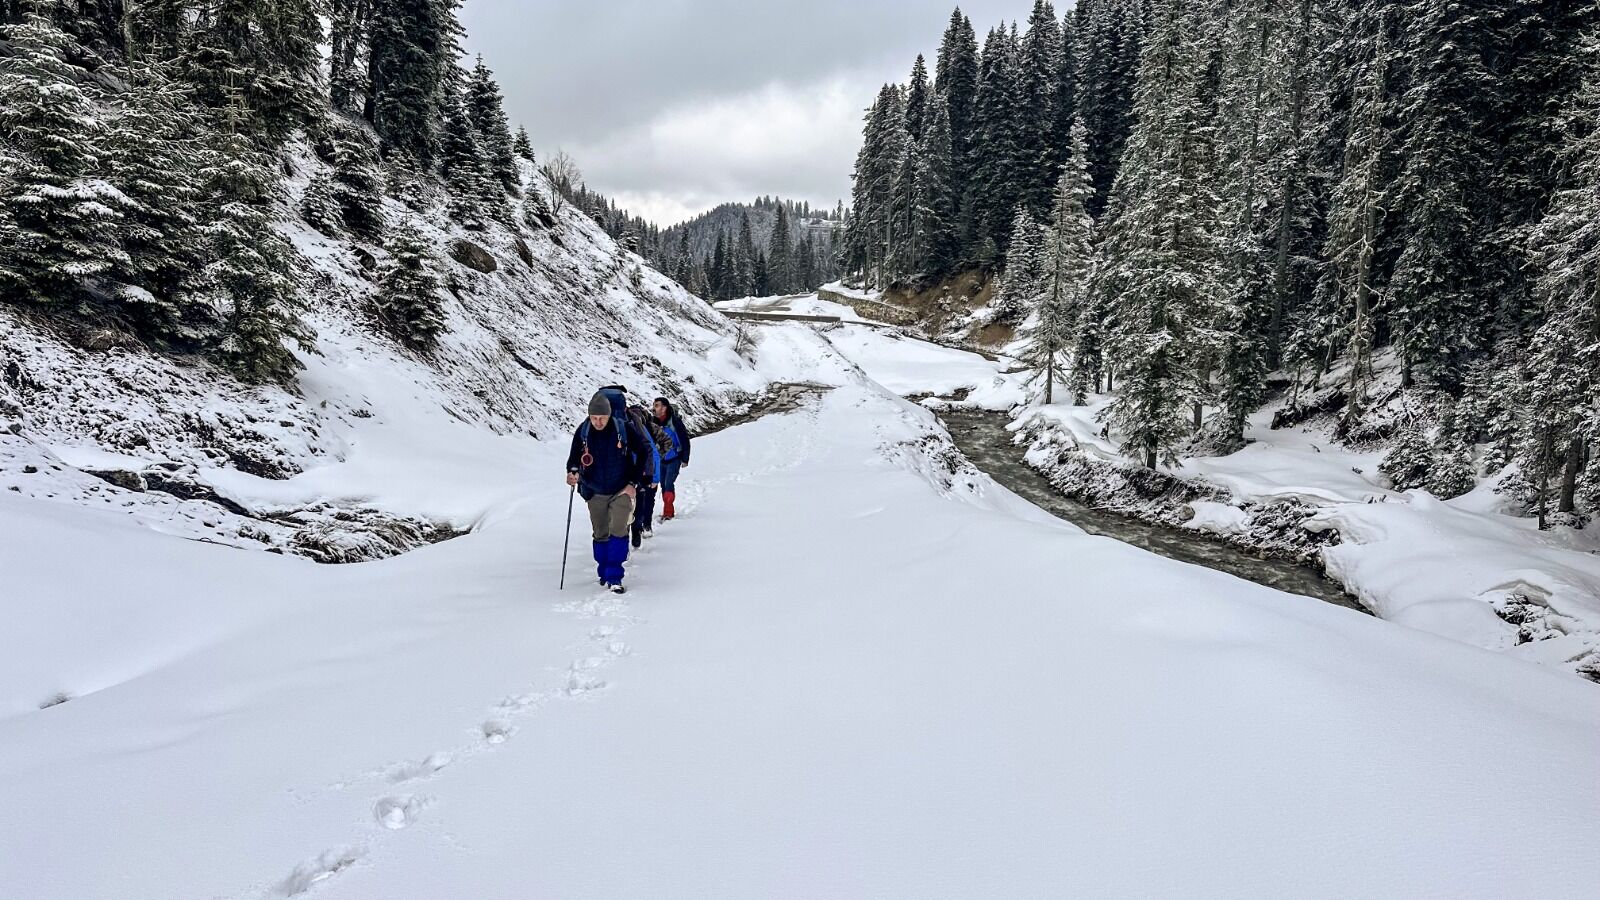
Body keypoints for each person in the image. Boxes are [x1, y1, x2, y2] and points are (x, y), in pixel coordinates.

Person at [566, 390, 652, 593]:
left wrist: (633, 483)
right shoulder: (583, 431)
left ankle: (615, 576)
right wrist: (573, 472)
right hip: (594, 490)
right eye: (594, 417)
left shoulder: (623, 429)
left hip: (621, 489)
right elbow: (574, 458)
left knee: (619, 529)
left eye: (602, 418)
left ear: (609, 415)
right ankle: (603, 571)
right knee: (600, 533)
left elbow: (643, 452)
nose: (598, 422)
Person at [652, 397, 692, 521]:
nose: (654, 408)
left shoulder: (675, 422)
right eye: (654, 405)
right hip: (661, 459)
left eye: (657, 405)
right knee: (663, 485)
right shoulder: (653, 422)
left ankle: (668, 512)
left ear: (664, 408)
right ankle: (667, 510)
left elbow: (684, 440)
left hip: (675, 458)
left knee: (668, 483)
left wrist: (685, 459)